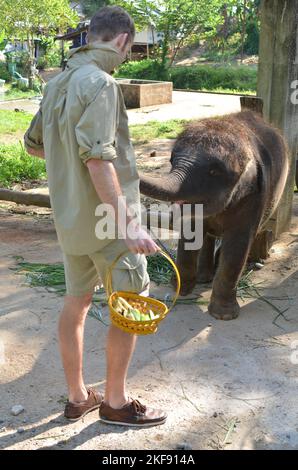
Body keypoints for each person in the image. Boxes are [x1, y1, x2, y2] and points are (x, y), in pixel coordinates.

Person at [24, 5, 167, 427]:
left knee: (76, 302)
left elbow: (33, 144)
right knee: (132, 305)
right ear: (123, 40)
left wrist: (66, 155)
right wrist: (129, 226)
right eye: (130, 47)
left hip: (70, 220)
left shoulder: (57, 83)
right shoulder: (102, 83)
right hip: (109, 225)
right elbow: (99, 161)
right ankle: (117, 403)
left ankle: (77, 397)